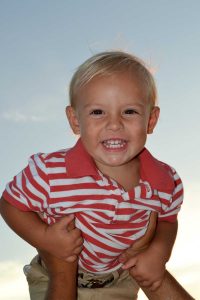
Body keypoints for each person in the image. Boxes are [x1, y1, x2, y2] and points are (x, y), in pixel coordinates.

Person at [0, 51, 192, 299]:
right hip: (51, 277)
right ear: (75, 121)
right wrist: (45, 238)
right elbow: (10, 204)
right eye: (98, 112)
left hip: (119, 280)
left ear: (151, 120)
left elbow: (167, 219)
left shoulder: (166, 181)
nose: (114, 124)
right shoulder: (50, 172)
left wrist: (159, 252)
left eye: (130, 111)